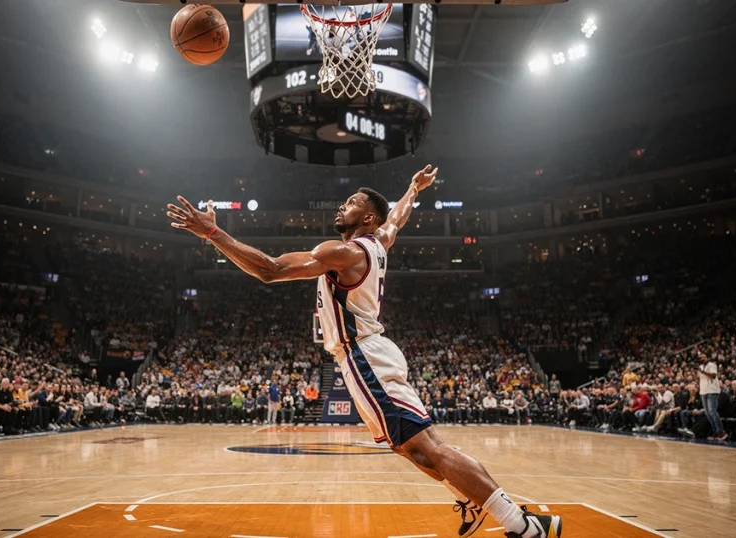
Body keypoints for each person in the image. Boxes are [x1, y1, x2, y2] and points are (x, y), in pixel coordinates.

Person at [167, 164, 562, 538]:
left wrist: (213, 233)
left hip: (363, 357)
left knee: (428, 447)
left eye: (352, 202)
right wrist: (413, 189)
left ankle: (522, 525)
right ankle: (469, 495)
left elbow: (270, 269)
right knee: (408, 448)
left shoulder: (348, 253)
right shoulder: (379, 241)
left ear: (368, 217)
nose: (343, 205)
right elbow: (397, 220)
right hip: (368, 354)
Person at [697, 353, 726, 440]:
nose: (702, 358)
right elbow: (699, 378)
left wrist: (702, 371)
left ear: (707, 358)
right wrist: (695, 371)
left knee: (712, 411)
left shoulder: (712, 365)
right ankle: (715, 431)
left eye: (704, 357)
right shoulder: (700, 367)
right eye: (700, 358)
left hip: (712, 390)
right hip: (703, 390)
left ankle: (721, 432)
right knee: (707, 413)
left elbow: (713, 376)